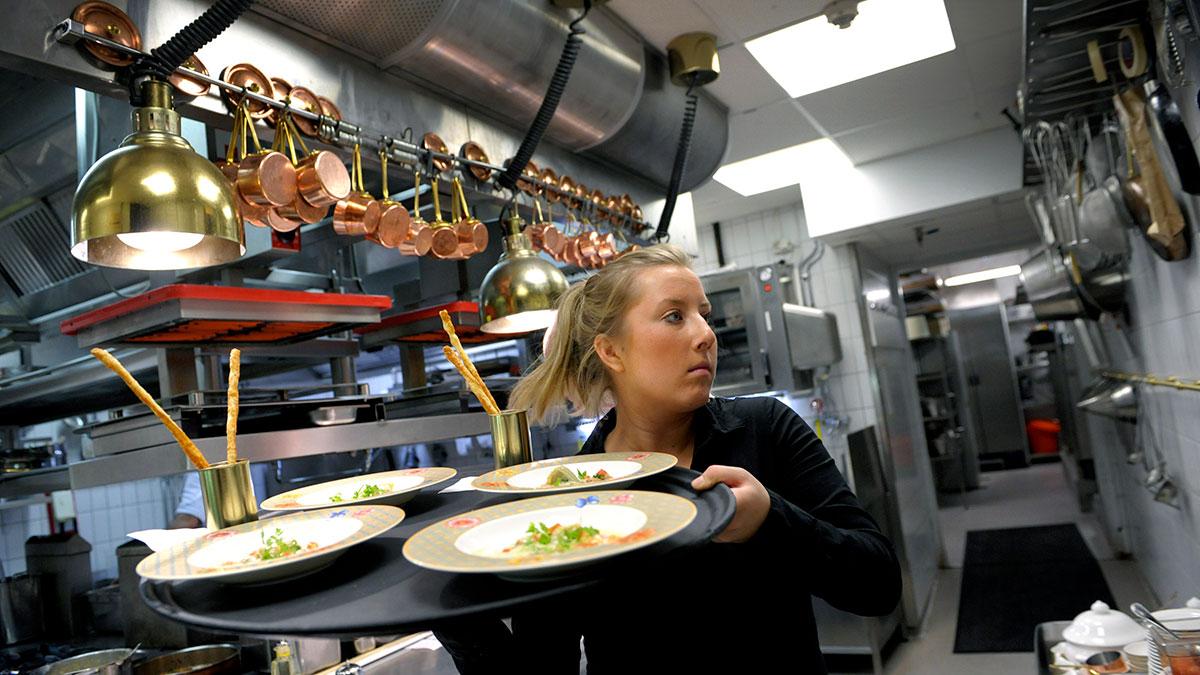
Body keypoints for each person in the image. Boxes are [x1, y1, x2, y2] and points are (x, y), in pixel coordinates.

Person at [438, 244, 901, 673]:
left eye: (704, 314)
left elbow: (878, 584)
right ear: (611, 350)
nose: (705, 335)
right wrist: (449, 604)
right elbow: (542, 666)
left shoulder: (765, 428)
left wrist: (772, 520)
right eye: (675, 316)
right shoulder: (572, 489)